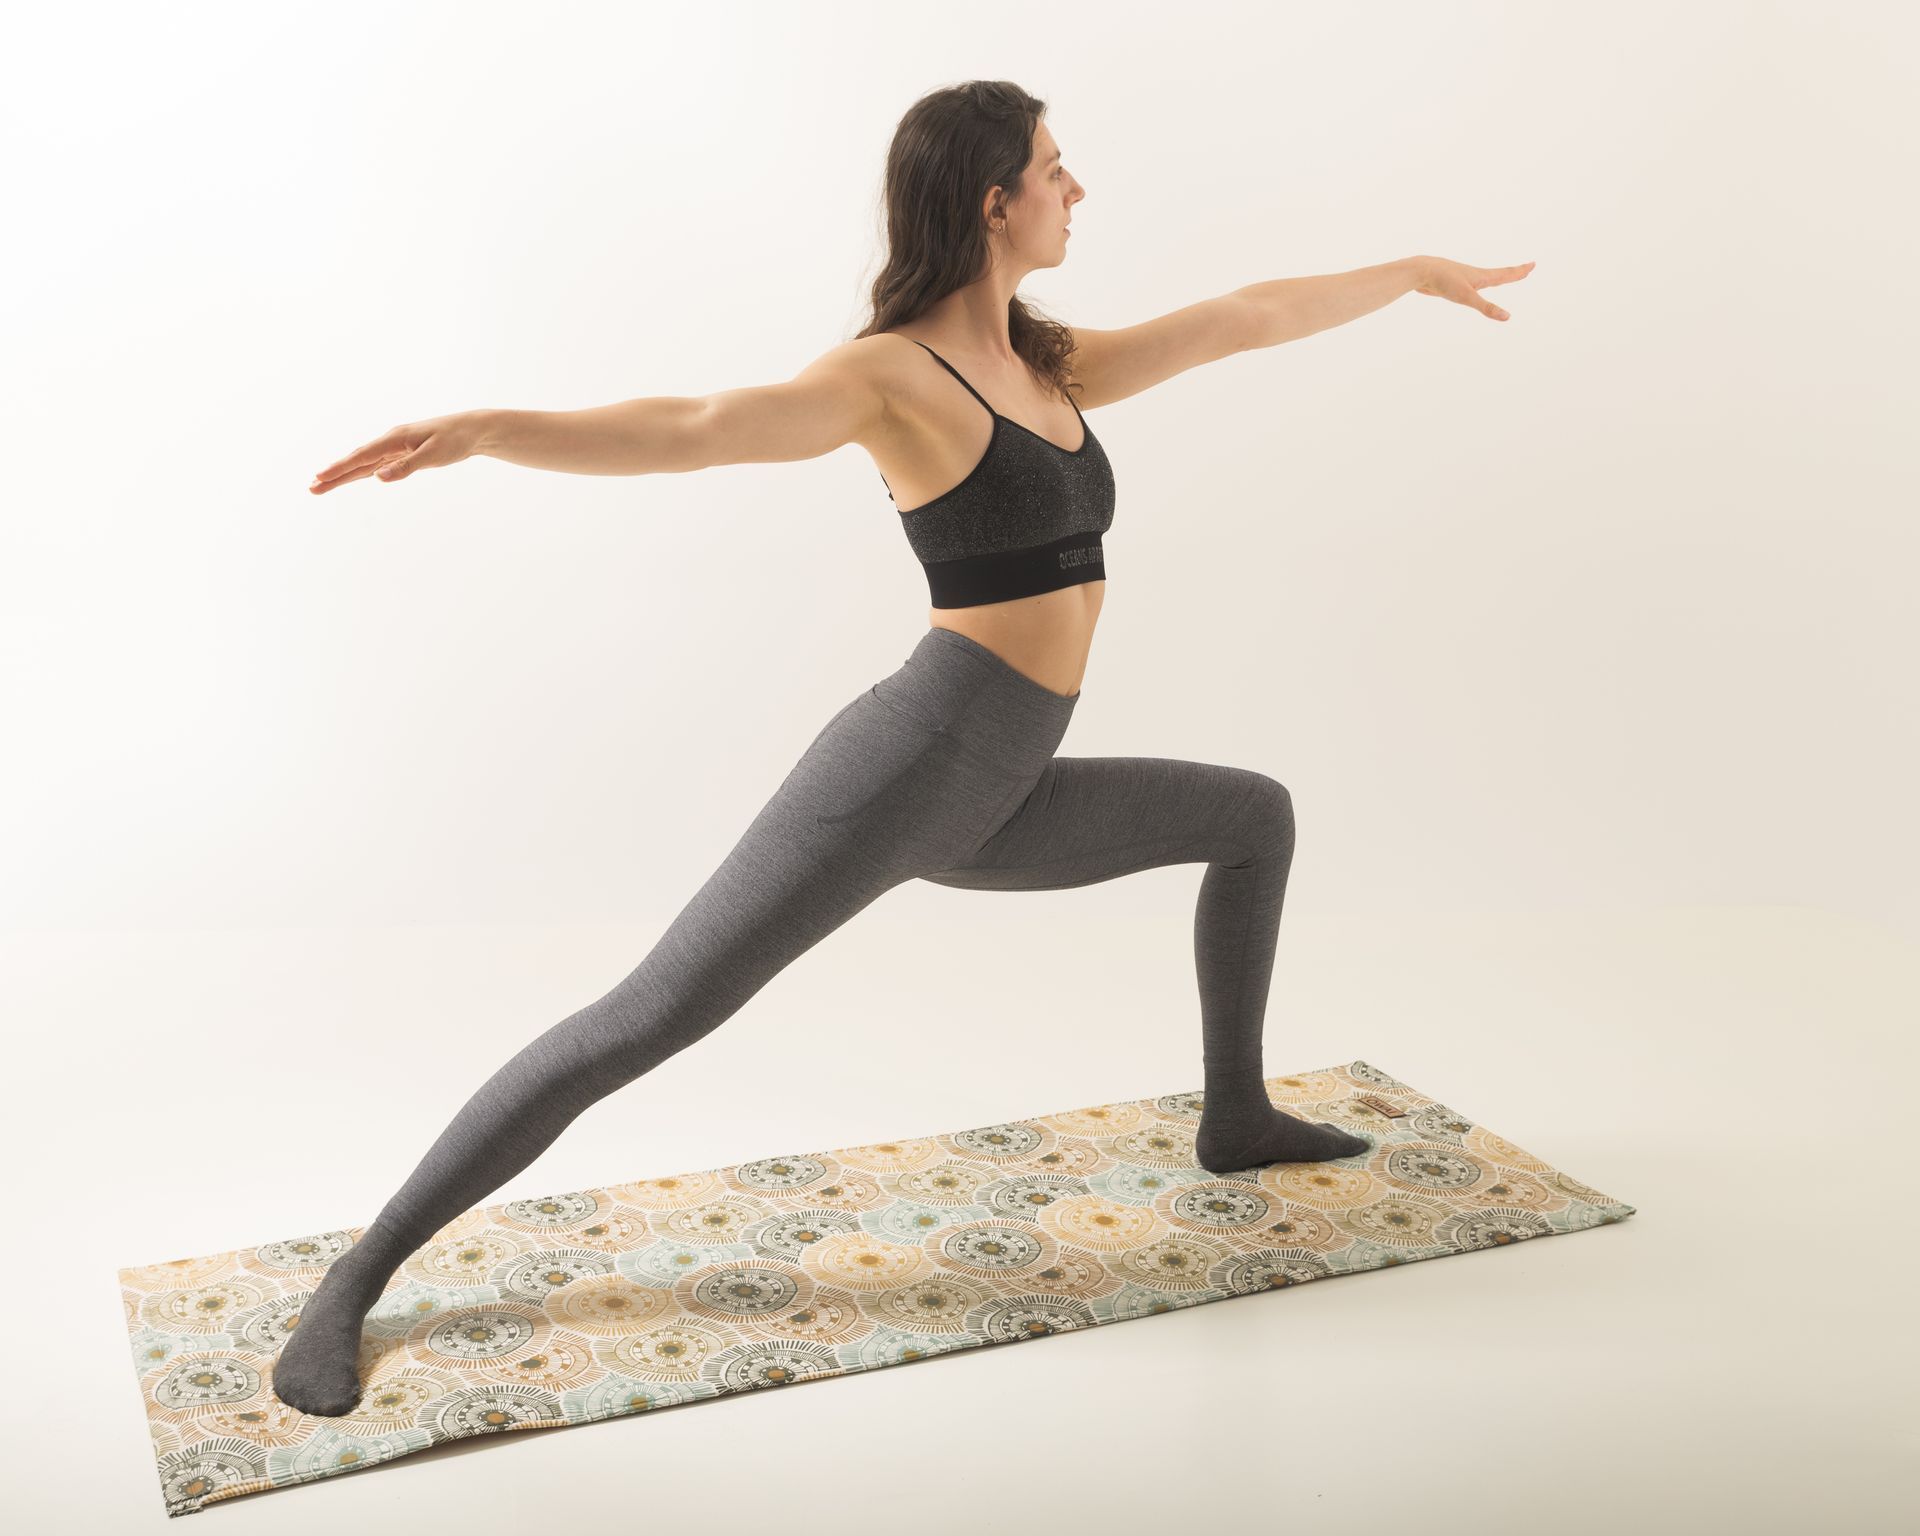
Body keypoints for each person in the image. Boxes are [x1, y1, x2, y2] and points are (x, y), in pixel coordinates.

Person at [276, 79, 1532, 1417]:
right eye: (1054, 169)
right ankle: (356, 1278)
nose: (1077, 189)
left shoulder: (1047, 364)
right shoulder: (892, 378)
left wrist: (1410, 273)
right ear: (994, 203)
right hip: (906, 770)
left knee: (1253, 817)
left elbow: (1242, 317)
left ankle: (1236, 1118)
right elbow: (698, 429)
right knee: (645, 1019)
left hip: (1003, 788)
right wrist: (488, 432)